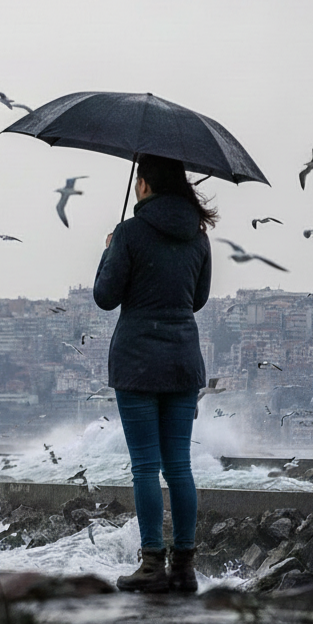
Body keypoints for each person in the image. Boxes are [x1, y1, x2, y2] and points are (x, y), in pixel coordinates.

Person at [93, 153, 216, 593]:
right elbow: (197, 299)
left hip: (138, 363)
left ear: (143, 184)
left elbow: (106, 297)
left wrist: (109, 250)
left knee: (145, 468)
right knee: (179, 467)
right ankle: (184, 567)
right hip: (183, 361)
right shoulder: (199, 238)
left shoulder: (129, 233)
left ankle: (151, 565)